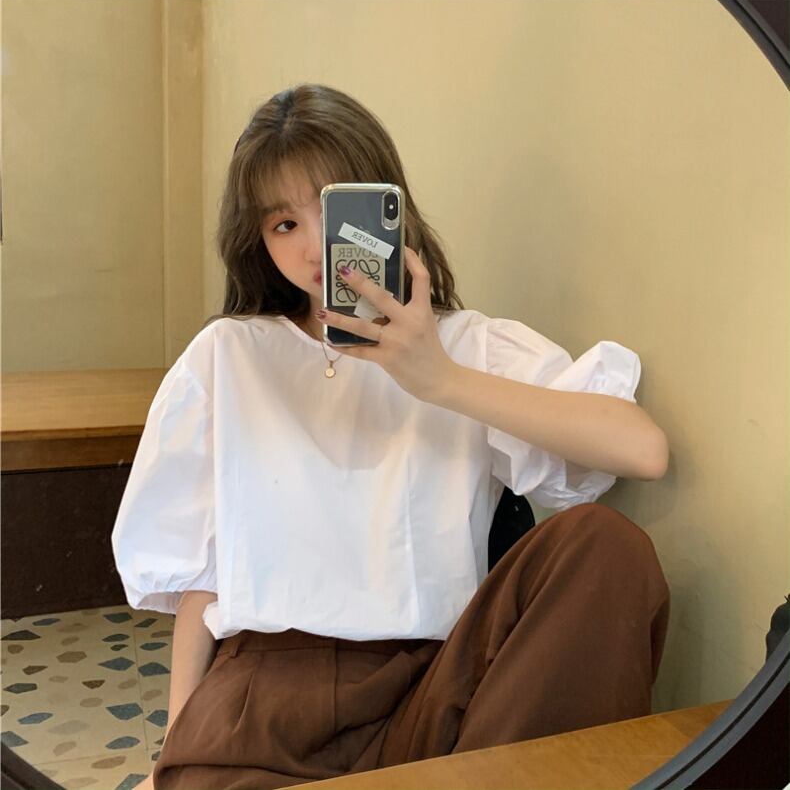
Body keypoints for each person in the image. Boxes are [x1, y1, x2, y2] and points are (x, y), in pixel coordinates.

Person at [111, 83, 671, 790]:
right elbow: (202, 582)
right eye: (283, 223)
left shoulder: (463, 347)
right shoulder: (228, 356)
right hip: (266, 705)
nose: (313, 246)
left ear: (386, 205)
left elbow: (642, 450)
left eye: (332, 209)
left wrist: (439, 378)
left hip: (435, 695)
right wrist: (171, 748)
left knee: (604, 545)